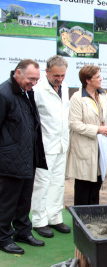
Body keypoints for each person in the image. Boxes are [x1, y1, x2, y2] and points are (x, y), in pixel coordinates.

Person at [0, 59, 47, 254]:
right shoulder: (4, 94)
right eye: (31, 79)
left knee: (24, 198)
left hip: (27, 158)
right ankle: (2, 237)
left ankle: (22, 231)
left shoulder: (26, 91)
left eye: (37, 79)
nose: (34, 83)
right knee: (7, 201)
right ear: (17, 73)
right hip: (8, 161)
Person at [31, 55, 71, 238]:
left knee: (58, 182)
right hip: (45, 145)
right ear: (46, 72)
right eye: (56, 75)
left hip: (62, 144)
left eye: (62, 75)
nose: (60, 79)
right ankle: (39, 220)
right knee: (42, 183)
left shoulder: (65, 88)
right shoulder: (38, 90)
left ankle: (54, 216)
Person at [66, 65, 107, 206]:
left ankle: (93, 218)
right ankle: (80, 220)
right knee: (83, 187)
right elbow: (74, 124)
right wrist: (98, 130)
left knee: (96, 186)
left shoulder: (104, 95)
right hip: (85, 149)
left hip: (102, 147)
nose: (101, 79)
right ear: (88, 80)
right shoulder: (77, 97)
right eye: (97, 77)